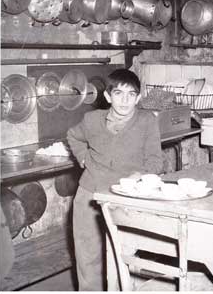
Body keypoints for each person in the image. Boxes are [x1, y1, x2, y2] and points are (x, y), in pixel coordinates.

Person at [67, 69, 164, 290]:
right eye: (119, 93)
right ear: (108, 96)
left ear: (138, 98)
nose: (125, 100)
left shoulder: (147, 121)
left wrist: (140, 175)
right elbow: (73, 135)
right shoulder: (91, 120)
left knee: (125, 255)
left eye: (131, 94)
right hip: (89, 195)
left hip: (125, 197)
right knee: (88, 255)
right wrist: (83, 159)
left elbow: (156, 161)